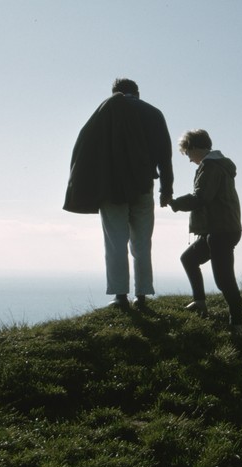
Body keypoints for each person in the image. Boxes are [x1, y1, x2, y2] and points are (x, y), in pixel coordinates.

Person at [64, 78, 174, 308]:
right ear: (137, 92)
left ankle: (120, 296)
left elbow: (86, 149)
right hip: (143, 185)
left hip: (112, 188)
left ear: (114, 93)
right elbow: (165, 155)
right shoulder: (153, 113)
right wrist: (167, 188)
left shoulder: (104, 111)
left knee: (115, 242)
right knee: (142, 243)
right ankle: (142, 296)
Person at [169, 129, 242, 333]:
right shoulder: (218, 165)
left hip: (221, 230)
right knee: (189, 259)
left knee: (224, 279)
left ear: (194, 147)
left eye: (187, 153)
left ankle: (237, 323)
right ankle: (200, 303)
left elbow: (201, 197)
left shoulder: (210, 166)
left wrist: (175, 203)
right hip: (221, 228)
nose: (188, 159)